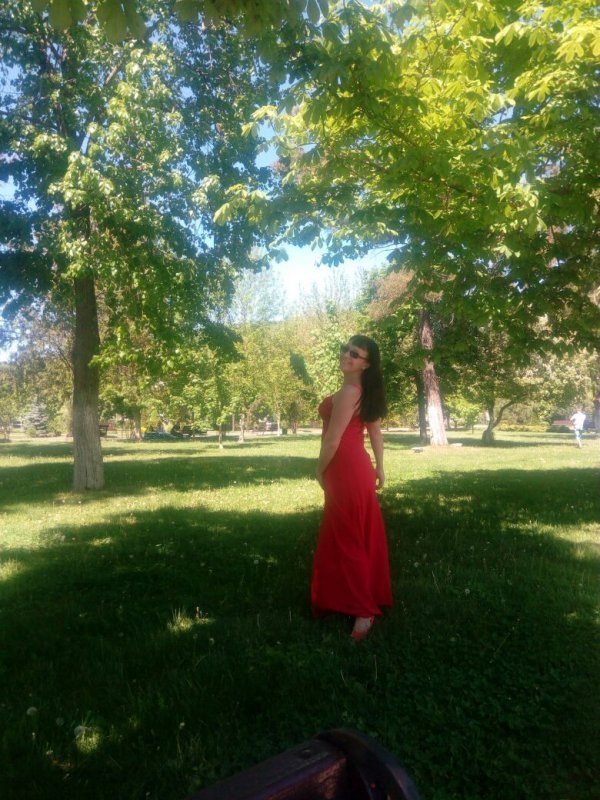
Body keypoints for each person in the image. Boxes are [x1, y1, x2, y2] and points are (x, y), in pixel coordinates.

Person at [311, 335, 393, 640]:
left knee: (347, 539)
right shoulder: (363, 392)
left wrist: (319, 470)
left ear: (366, 364)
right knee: (354, 534)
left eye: (355, 354)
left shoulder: (349, 392)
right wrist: (379, 467)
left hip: (344, 469)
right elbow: (375, 433)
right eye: (345, 349)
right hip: (358, 469)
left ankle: (364, 610)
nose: (346, 355)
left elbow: (333, 440)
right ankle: (343, 597)